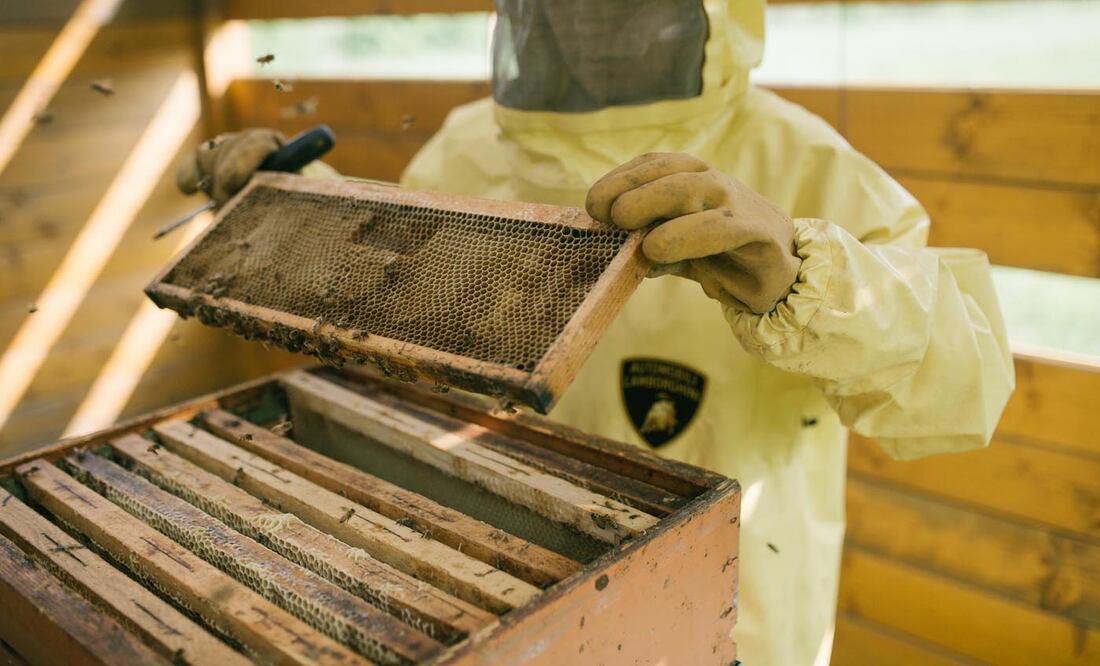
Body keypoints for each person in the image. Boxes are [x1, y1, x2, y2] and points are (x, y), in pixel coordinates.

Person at [177, 1, 1015, 662]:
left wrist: (807, 277)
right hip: (495, 585)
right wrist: (304, 209)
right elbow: (411, 293)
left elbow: (964, 394)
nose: (588, 19)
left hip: (735, 616)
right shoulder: (469, 146)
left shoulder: (806, 161)